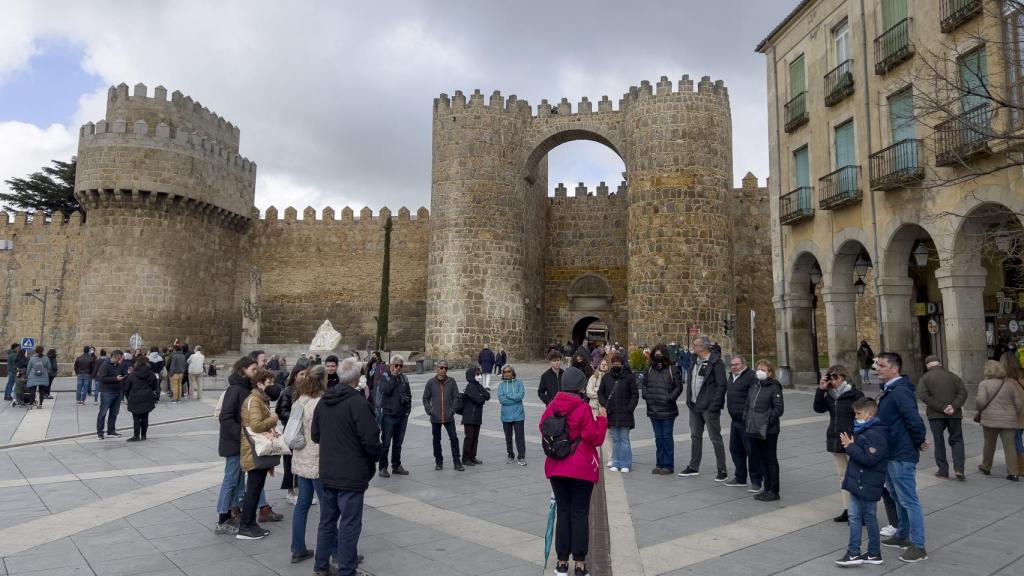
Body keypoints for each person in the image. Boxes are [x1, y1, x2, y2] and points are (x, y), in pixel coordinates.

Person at [311, 354, 381, 576]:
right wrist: (376, 456)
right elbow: (370, 440)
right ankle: (347, 570)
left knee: (327, 522)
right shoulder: (358, 403)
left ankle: (321, 567)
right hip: (351, 474)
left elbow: (316, 435)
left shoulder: (324, 402)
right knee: (350, 524)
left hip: (328, 471)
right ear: (356, 378)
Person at [540, 366, 608, 576]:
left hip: (556, 467)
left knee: (563, 512)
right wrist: (603, 419)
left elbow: (543, 427)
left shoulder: (552, 406)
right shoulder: (583, 408)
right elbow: (595, 438)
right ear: (580, 386)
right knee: (579, 514)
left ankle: (561, 563)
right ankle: (579, 564)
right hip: (580, 469)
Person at [215, 357, 282, 536]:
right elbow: (225, 417)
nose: (256, 370)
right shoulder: (235, 389)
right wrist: (244, 436)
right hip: (235, 442)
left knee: (251, 479)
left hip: (246, 442)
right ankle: (223, 518)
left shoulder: (247, 389)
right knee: (232, 479)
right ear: (243, 369)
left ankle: (250, 511)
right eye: (253, 368)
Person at [875, 352, 928, 563]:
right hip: (891, 452)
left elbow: (914, 421)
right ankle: (903, 535)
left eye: (881, 365)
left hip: (900, 454)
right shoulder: (890, 390)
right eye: (877, 365)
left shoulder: (900, 391)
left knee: (909, 500)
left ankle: (919, 546)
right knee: (897, 496)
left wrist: (918, 441)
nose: (877, 368)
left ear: (894, 368)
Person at [835, 396, 889, 566]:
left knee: (861, 516)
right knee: (862, 516)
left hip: (866, 482)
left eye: (858, 414)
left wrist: (850, 446)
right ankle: (871, 553)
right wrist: (852, 445)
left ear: (869, 415)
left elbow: (870, 459)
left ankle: (855, 553)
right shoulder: (867, 431)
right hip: (861, 481)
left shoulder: (875, 434)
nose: (855, 417)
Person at [813, 364, 864, 522]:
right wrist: (821, 389)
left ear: (844, 377)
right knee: (843, 476)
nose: (833, 380)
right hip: (835, 437)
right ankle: (847, 509)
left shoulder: (855, 394)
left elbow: (864, 417)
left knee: (856, 476)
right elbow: (818, 408)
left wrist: (858, 436)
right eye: (830, 377)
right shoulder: (829, 394)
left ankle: (860, 511)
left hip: (852, 439)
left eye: (836, 377)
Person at [237, 368, 280, 540]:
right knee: (253, 489)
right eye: (269, 383)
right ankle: (245, 527)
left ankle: (251, 524)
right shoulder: (254, 400)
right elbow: (255, 425)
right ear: (260, 384)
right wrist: (273, 420)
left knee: (256, 488)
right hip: (253, 451)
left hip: (257, 450)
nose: (272, 386)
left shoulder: (260, 399)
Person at [290, 364, 327, 564]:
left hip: (301, 458)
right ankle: (337, 551)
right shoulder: (320, 403)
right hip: (316, 460)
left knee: (302, 504)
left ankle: (297, 549)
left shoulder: (300, 400)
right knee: (328, 507)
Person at [679, 336, 728, 480]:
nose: (693, 348)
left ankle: (722, 469)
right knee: (695, 436)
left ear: (704, 347)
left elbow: (721, 385)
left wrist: (714, 405)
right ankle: (693, 466)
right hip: (694, 406)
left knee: (715, 437)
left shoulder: (715, 362)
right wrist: (689, 400)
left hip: (709, 407)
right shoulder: (694, 361)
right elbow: (691, 381)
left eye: (695, 345)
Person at [916, 355, 967, 480]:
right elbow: (963, 393)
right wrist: (953, 406)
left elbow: (923, 395)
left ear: (928, 365)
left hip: (935, 415)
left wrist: (941, 407)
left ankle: (943, 471)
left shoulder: (925, 378)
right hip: (954, 414)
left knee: (939, 442)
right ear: (939, 363)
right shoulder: (953, 376)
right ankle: (959, 469)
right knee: (957, 440)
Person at [975, 359, 1022, 481]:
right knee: (1010, 446)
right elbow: (1018, 403)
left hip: (990, 419)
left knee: (989, 444)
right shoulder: (1010, 384)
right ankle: (1013, 473)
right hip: (1009, 420)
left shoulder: (984, 384)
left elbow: (981, 402)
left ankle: (986, 467)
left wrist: (979, 408)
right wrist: (1012, 414)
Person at [746, 360, 784, 501]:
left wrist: (765, 422)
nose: (759, 371)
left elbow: (778, 409)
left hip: (769, 431)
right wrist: (747, 419)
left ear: (769, 373)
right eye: (758, 369)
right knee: (761, 459)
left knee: (770, 460)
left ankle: (774, 491)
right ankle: (766, 488)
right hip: (754, 428)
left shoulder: (774, 387)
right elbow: (748, 404)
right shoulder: (754, 386)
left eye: (763, 369)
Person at [642, 344, 683, 474]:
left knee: (666, 437)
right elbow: (644, 384)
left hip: (667, 409)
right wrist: (646, 395)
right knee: (658, 438)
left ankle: (668, 465)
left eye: (660, 354)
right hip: (653, 408)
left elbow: (679, 386)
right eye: (656, 354)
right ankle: (659, 463)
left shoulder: (672, 368)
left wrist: (670, 398)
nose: (658, 356)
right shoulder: (650, 369)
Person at [724, 355, 761, 491]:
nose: (734, 367)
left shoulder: (751, 376)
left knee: (752, 452)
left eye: (737, 364)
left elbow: (755, 397)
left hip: (748, 421)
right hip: (735, 420)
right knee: (735, 450)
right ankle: (740, 477)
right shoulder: (731, 376)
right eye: (732, 365)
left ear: (744, 364)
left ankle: (756, 480)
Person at [598, 352, 638, 473]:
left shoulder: (629, 377)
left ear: (622, 364)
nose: (616, 365)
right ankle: (616, 461)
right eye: (614, 363)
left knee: (624, 439)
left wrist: (629, 408)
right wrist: (605, 405)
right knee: (615, 439)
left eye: (618, 363)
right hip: (612, 413)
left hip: (625, 413)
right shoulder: (607, 377)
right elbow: (601, 393)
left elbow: (634, 395)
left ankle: (625, 463)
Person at [423, 360, 464, 471]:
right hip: (435, 417)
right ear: (437, 369)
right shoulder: (431, 382)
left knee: (454, 439)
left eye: (445, 368)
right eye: (441, 368)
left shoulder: (451, 381)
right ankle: (439, 462)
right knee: (436, 440)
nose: (443, 370)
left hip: (448, 416)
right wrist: (429, 410)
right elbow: (425, 398)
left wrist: (452, 410)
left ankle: (457, 462)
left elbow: (456, 396)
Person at [376, 354, 412, 477]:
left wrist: (408, 411)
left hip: (402, 416)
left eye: (400, 366)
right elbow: (386, 390)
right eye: (395, 365)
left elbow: (409, 395)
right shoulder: (385, 377)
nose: (398, 368)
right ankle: (382, 467)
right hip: (388, 415)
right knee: (385, 443)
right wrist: (393, 377)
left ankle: (396, 465)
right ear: (390, 366)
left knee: (398, 443)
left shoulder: (404, 378)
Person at [278, 365, 307, 505]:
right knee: (289, 462)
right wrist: (297, 417)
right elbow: (282, 411)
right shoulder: (287, 391)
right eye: (302, 374)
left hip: (303, 431)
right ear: (295, 375)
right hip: (291, 431)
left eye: (306, 374)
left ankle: (299, 490)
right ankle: (290, 491)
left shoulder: (307, 391)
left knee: (301, 461)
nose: (304, 377)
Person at [122, 355, 158, 441]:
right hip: (147, 397)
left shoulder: (132, 375)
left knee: (136, 417)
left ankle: (136, 435)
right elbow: (154, 386)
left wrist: (128, 397)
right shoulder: (151, 374)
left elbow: (127, 388)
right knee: (145, 416)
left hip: (134, 397)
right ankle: (144, 435)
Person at [498, 364, 527, 465]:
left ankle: (521, 456)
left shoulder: (519, 383)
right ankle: (510, 455)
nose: (506, 373)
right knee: (508, 437)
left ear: (513, 372)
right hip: (506, 416)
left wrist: (509, 396)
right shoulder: (501, 385)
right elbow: (502, 400)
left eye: (508, 371)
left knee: (520, 437)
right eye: (504, 372)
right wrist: (514, 399)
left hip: (518, 414)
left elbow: (520, 396)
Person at [461, 365, 490, 466]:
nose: (479, 375)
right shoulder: (470, 386)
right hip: (469, 416)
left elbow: (488, 395)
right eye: (477, 374)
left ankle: (472, 456)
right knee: (469, 437)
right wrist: (481, 396)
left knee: (475, 437)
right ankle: (465, 458)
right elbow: (479, 400)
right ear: (471, 375)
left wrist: (481, 395)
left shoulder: (478, 385)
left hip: (477, 416)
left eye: (480, 374)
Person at [95, 349, 127, 437]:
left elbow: (123, 374)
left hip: (117, 391)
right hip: (107, 392)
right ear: (115, 357)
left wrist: (127, 374)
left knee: (114, 413)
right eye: (120, 358)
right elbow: (102, 379)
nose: (121, 360)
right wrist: (115, 379)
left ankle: (111, 430)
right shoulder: (105, 365)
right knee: (103, 413)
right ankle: (100, 432)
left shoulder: (119, 365)